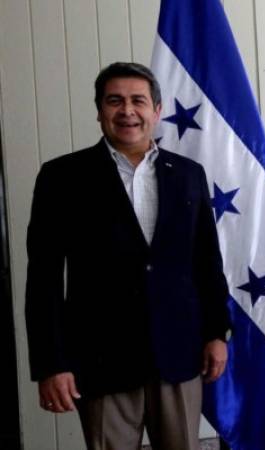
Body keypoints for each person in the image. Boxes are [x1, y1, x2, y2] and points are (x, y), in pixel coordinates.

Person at [25, 62, 231, 450]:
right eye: (114, 101)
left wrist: (216, 333)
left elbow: (207, 263)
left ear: (157, 109)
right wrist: (52, 364)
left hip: (179, 355)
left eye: (138, 100)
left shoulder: (188, 174)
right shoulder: (61, 178)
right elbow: (44, 280)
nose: (127, 111)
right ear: (100, 110)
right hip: (102, 361)